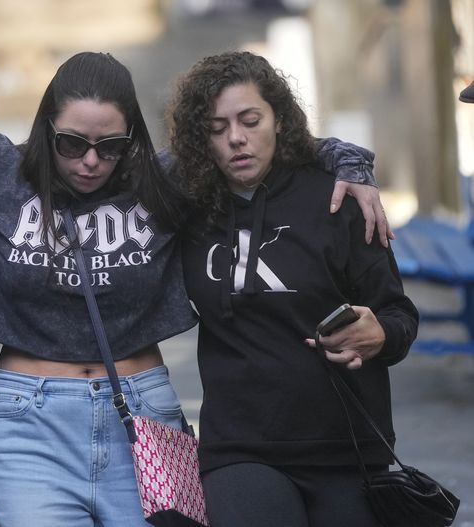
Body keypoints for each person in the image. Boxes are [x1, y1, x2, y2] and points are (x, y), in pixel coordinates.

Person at [0, 50, 389, 527]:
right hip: (26, 417)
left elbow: (253, 140)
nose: (90, 161)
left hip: (146, 410)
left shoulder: (170, 179)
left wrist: (349, 161)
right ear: (43, 130)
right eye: (71, 144)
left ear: (133, 141)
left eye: (109, 147)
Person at [169, 50, 419, 527]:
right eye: (217, 129)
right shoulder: (188, 206)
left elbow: (400, 315)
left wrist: (380, 335)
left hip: (348, 448)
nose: (236, 139)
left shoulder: (340, 199)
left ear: (279, 120)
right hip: (240, 448)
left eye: (250, 120)